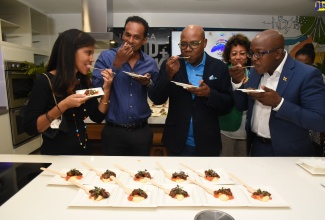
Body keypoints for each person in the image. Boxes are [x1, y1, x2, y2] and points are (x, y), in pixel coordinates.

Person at [231, 29, 325, 156]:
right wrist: (237, 82)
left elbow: (319, 121)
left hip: (289, 153)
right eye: (251, 53)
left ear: (278, 53)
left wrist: (279, 103)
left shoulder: (307, 74)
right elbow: (241, 105)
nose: (253, 59)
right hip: (256, 147)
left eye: (259, 53)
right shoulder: (255, 71)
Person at [24, 29, 113, 155]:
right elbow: (32, 128)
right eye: (88, 53)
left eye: (92, 53)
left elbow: (97, 116)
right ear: (70, 52)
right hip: (56, 156)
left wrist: (107, 88)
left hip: (83, 152)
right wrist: (64, 105)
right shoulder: (44, 81)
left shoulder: (84, 81)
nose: (92, 59)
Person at [149, 25, 233, 156]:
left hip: (208, 142)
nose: (188, 49)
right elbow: (157, 98)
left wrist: (209, 94)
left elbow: (227, 104)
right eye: (183, 44)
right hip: (177, 141)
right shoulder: (170, 64)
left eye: (194, 44)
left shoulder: (219, 67)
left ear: (204, 43)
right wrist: (168, 75)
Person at [92, 16, 158, 156]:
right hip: (113, 132)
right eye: (127, 35)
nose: (130, 40)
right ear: (122, 34)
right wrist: (116, 64)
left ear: (144, 40)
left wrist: (148, 83)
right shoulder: (106, 57)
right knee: (111, 174)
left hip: (141, 131)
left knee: (141, 174)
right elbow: (96, 88)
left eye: (136, 37)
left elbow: (156, 94)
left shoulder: (150, 63)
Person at [219, 34, 251, 156]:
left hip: (248, 131)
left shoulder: (255, 72)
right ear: (228, 56)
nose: (238, 57)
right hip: (227, 129)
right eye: (234, 54)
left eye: (242, 53)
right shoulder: (222, 72)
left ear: (248, 55)